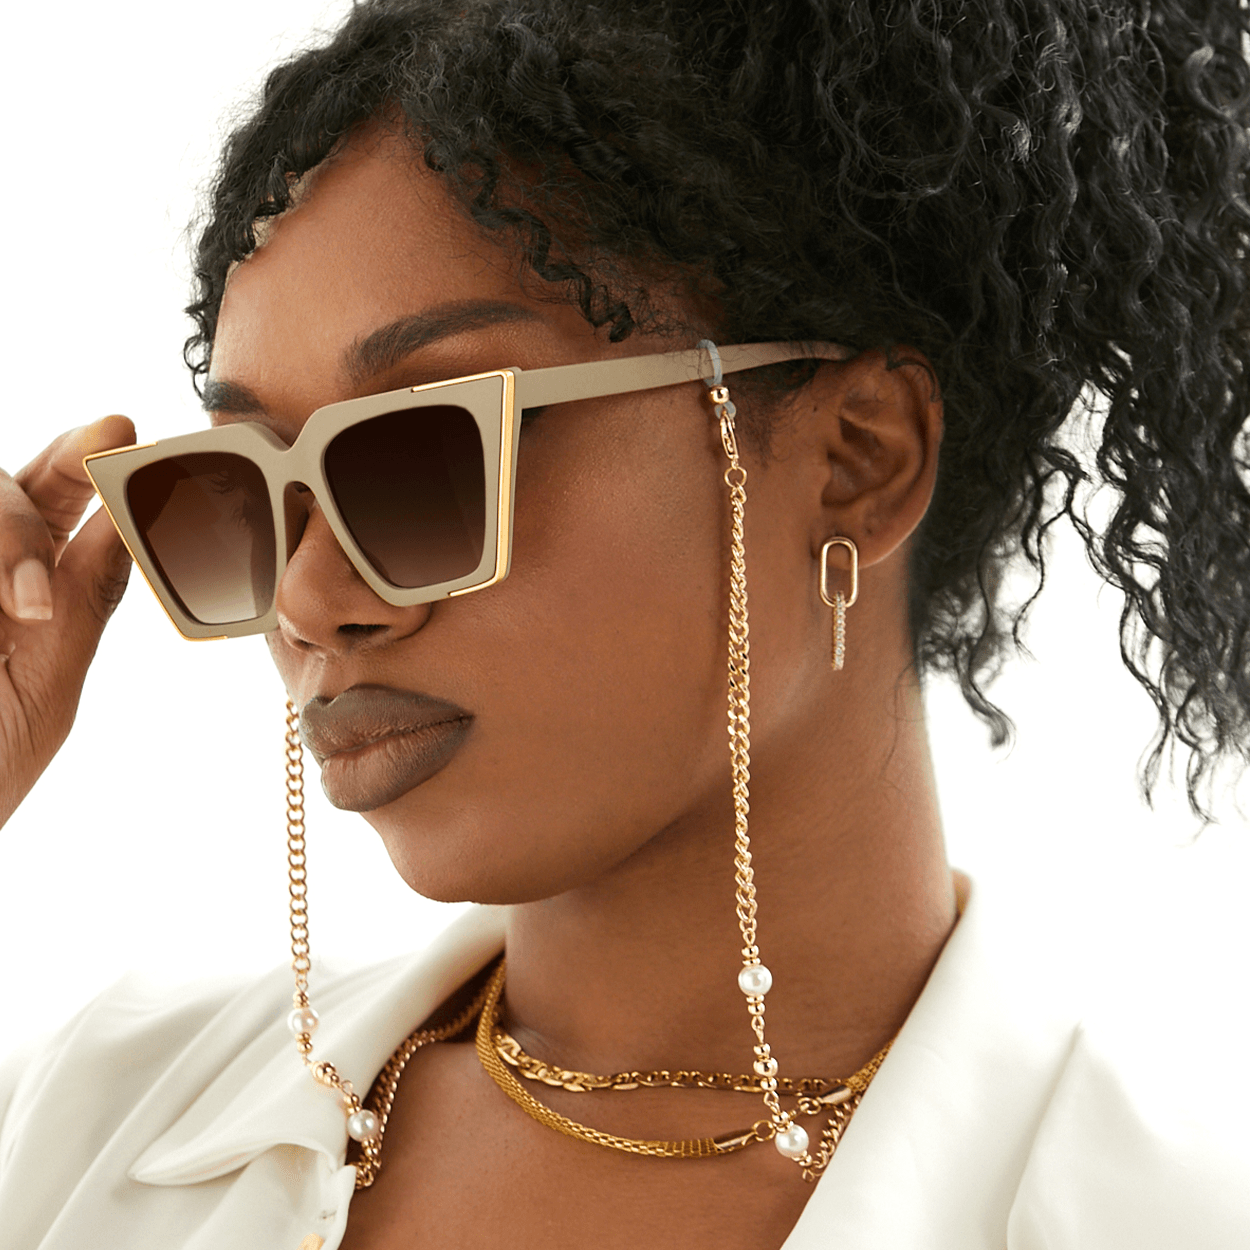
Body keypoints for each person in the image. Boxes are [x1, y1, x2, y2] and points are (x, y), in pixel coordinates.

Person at [2, 1, 1249, 1246]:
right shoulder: (80, 1119)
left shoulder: (1167, 1215)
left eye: (425, 454)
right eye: (243, 487)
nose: (309, 597)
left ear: (857, 459)